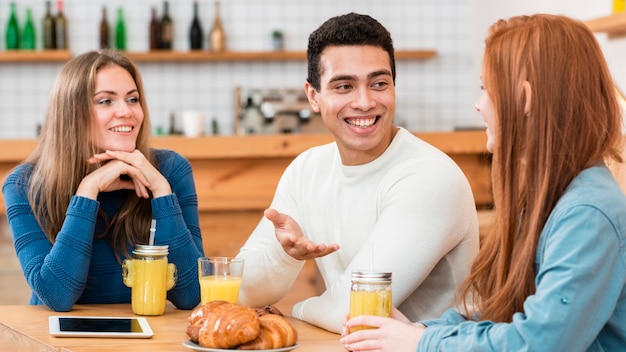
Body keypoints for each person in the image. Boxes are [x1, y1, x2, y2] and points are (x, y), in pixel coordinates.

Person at [341, 14, 626, 351]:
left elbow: (538, 343)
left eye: (486, 90)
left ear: (524, 99)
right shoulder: (551, 200)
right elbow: (509, 317)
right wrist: (418, 330)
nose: (479, 105)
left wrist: (423, 342)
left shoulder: (587, 215)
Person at [236, 13, 479, 333]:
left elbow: (351, 310)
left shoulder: (429, 177)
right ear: (314, 96)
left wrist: (297, 309)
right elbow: (240, 291)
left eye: (379, 83)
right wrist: (285, 254)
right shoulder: (307, 170)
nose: (365, 102)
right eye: (344, 86)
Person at [2, 49, 204, 311]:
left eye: (132, 99)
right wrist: (88, 191)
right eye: (106, 101)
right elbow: (57, 295)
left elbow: (191, 295)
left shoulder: (171, 170)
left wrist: (162, 192)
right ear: (71, 113)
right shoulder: (24, 185)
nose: (126, 112)